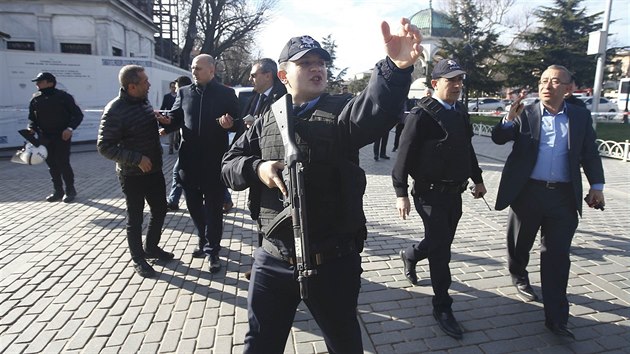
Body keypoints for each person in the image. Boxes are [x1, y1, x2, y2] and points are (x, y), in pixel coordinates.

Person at [222, 18, 422, 353]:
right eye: (306, 63)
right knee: (259, 344)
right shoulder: (265, 120)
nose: (317, 69)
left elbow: (373, 108)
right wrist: (256, 168)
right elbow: (229, 163)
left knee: (344, 342)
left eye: (321, 63)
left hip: (331, 262)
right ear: (284, 75)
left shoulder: (342, 110)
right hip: (273, 259)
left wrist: (397, 69)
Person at [492, 64, 605, 339]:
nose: (546, 86)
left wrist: (597, 186)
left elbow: (590, 153)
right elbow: (498, 138)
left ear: (569, 89)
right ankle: (518, 274)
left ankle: (556, 318)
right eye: (543, 81)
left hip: (563, 198)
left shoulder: (579, 116)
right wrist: (508, 119)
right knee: (520, 244)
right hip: (528, 193)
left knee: (557, 257)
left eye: (555, 82)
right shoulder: (526, 112)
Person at [393, 58, 487, 340]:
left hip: (454, 194)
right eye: (451, 80)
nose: (457, 85)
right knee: (441, 250)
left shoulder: (459, 112)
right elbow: (402, 157)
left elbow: (466, 150)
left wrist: (478, 179)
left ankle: (410, 254)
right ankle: (442, 306)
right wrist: (400, 193)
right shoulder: (420, 116)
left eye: (460, 80)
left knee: (439, 242)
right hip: (428, 194)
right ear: (435, 84)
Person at [160, 54, 241, 273]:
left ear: (211, 70)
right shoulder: (184, 92)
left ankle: (213, 251)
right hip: (188, 161)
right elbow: (177, 118)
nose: (193, 72)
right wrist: (166, 124)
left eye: (198, 68)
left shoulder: (226, 93)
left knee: (214, 210)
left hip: (215, 162)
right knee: (194, 207)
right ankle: (202, 238)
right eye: (192, 68)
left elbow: (239, 122)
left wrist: (230, 124)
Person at [97, 65, 174, 278]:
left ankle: (151, 247)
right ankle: (138, 258)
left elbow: (143, 128)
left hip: (154, 170)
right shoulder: (114, 110)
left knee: (160, 210)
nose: (149, 85)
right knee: (135, 218)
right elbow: (104, 147)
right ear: (132, 86)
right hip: (132, 175)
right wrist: (137, 159)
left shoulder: (143, 102)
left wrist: (160, 122)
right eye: (145, 82)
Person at [240, 58, 287, 280]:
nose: (251, 78)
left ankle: (271, 266)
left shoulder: (282, 97)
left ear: (268, 75)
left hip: (274, 165)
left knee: (272, 218)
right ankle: (262, 262)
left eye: (254, 74)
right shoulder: (255, 97)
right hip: (257, 165)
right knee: (259, 215)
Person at [27, 72, 83, 203]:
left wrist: (69, 128)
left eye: (40, 82)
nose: (37, 84)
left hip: (61, 136)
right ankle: (58, 191)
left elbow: (78, 115)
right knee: (52, 165)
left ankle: (70, 190)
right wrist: (31, 128)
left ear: (50, 83)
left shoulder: (64, 97)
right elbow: (32, 119)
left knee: (63, 163)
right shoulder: (35, 99)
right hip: (44, 137)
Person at [165, 75, 192, 211]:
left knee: (178, 172)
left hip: (192, 145)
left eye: (175, 86)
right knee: (178, 172)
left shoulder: (187, 97)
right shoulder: (185, 96)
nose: (174, 89)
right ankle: (173, 200)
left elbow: (182, 120)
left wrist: (168, 125)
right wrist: (167, 127)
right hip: (186, 144)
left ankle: (173, 201)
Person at [160, 81, 178, 154]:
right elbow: (163, 106)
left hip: (177, 117)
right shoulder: (166, 97)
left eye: (174, 87)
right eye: (172, 87)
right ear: (170, 88)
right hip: (169, 117)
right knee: (171, 134)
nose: (173, 88)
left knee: (177, 134)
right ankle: (171, 149)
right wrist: (160, 114)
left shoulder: (179, 96)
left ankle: (176, 142)